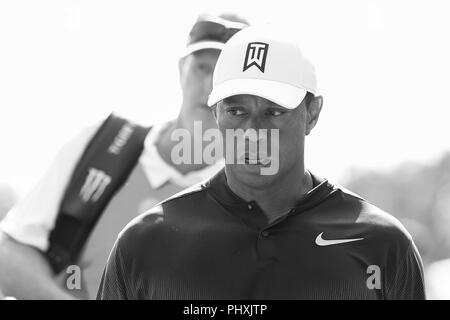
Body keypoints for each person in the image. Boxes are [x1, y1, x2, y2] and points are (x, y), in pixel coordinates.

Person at [97, 25, 426, 300]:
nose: (252, 132)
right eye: (236, 111)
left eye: (273, 112)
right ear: (216, 115)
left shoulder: (382, 244)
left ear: (312, 114)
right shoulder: (144, 244)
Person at [0, 13, 249, 300]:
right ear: (182, 69)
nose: (209, 89)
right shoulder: (102, 143)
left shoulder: (250, 199)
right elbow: (11, 252)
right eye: (202, 68)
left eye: (224, 79)